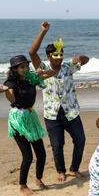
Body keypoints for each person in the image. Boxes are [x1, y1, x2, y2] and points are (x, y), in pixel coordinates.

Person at [29, 21, 90, 182]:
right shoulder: (42, 68)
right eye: (56, 55)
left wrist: (80, 58)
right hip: (52, 114)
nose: (60, 57)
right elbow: (32, 52)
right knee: (57, 145)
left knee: (80, 140)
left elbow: (86, 59)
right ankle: (61, 171)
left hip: (71, 112)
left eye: (61, 54)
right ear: (49, 56)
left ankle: (74, 169)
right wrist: (43, 31)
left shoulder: (68, 67)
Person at [0, 55, 54, 196]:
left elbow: (52, 73)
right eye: (21, 67)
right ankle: (23, 185)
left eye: (26, 66)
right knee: (28, 156)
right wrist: (4, 90)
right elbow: (11, 97)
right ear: (15, 69)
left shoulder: (31, 79)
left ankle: (38, 179)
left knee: (41, 154)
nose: (25, 69)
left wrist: (44, 71)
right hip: (18, 120)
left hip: (31, 117)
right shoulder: (10, 83)